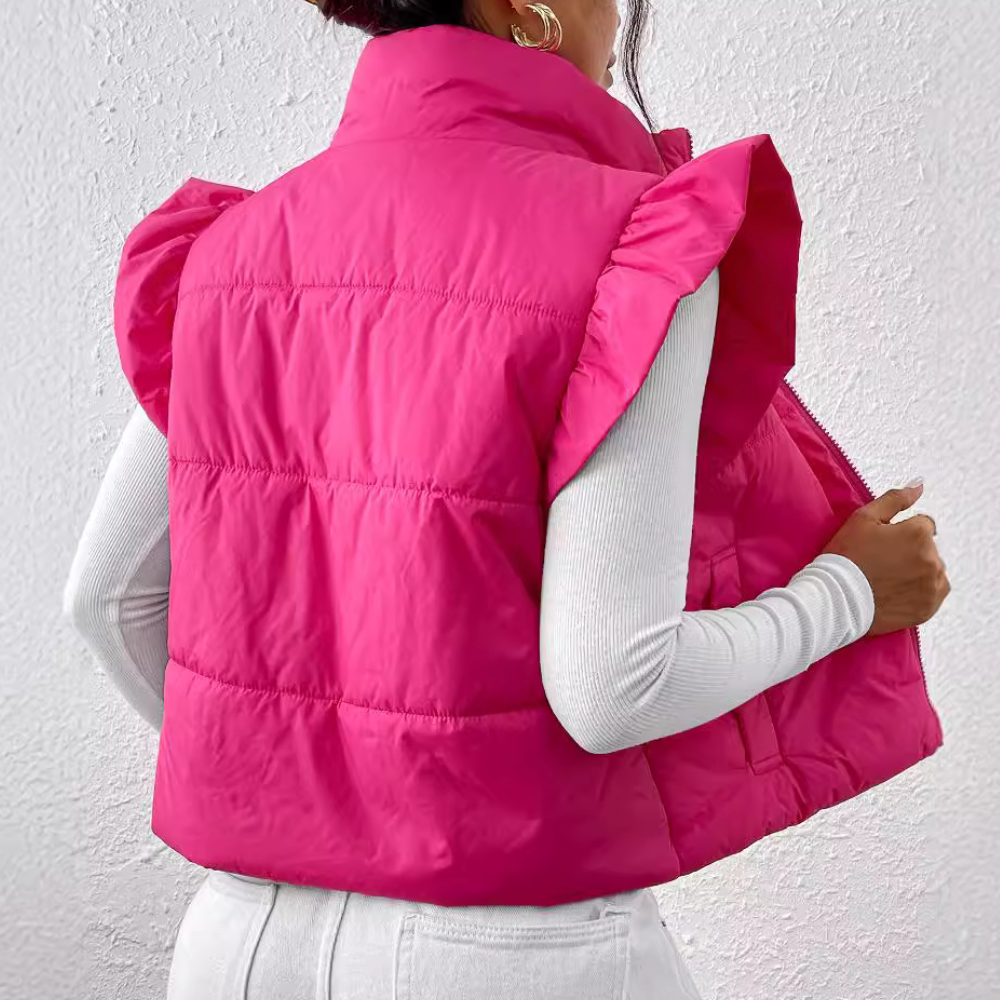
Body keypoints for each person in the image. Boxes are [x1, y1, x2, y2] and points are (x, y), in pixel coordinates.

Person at [63, 3, 949, 998]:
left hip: (239, 942)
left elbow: (107, 600)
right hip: (505, 957)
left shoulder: (231, 250)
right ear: (529, 9)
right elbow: (614, 685)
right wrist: (850, 593)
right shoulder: (632, 245)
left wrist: (312, 787)